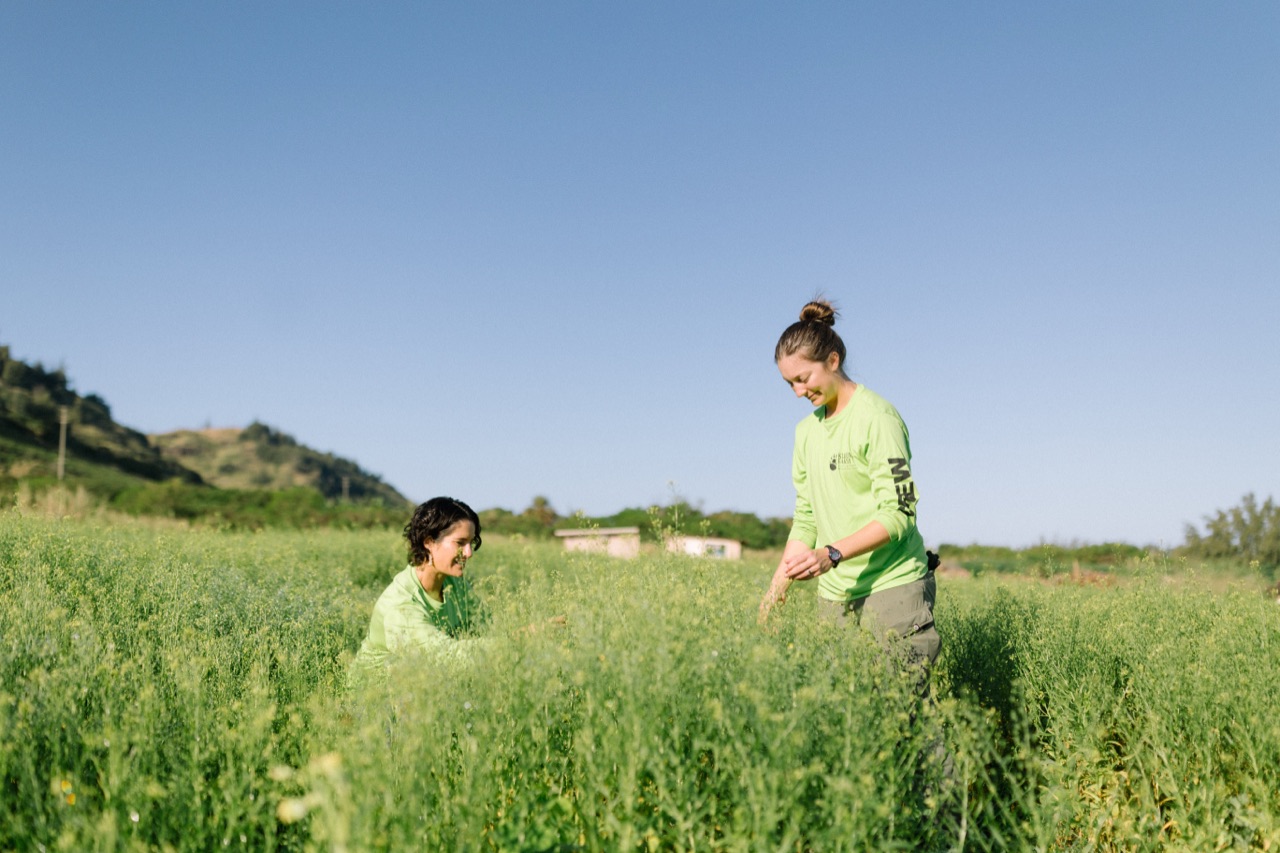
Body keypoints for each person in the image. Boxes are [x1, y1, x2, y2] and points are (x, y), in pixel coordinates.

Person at [759, 299, 940, 695]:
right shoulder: (805, 434)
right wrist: (777, 589)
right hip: (835, 599)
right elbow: (806, 516)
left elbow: (900, 512)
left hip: (892, 590)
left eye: (804, 378)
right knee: (849, 728)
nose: (797, 391)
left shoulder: (878, 418)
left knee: (902, 722)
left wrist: (832, 554)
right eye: (789, 383)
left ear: (833, 360)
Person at [352, 496, 490, 671]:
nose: (469, 553)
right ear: (429, 543)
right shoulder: (400, 604)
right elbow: (445, 658)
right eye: (460, 543)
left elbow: (487, 628)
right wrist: (512, 643)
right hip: (377, 693)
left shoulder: (456, 584)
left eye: (471, 543)